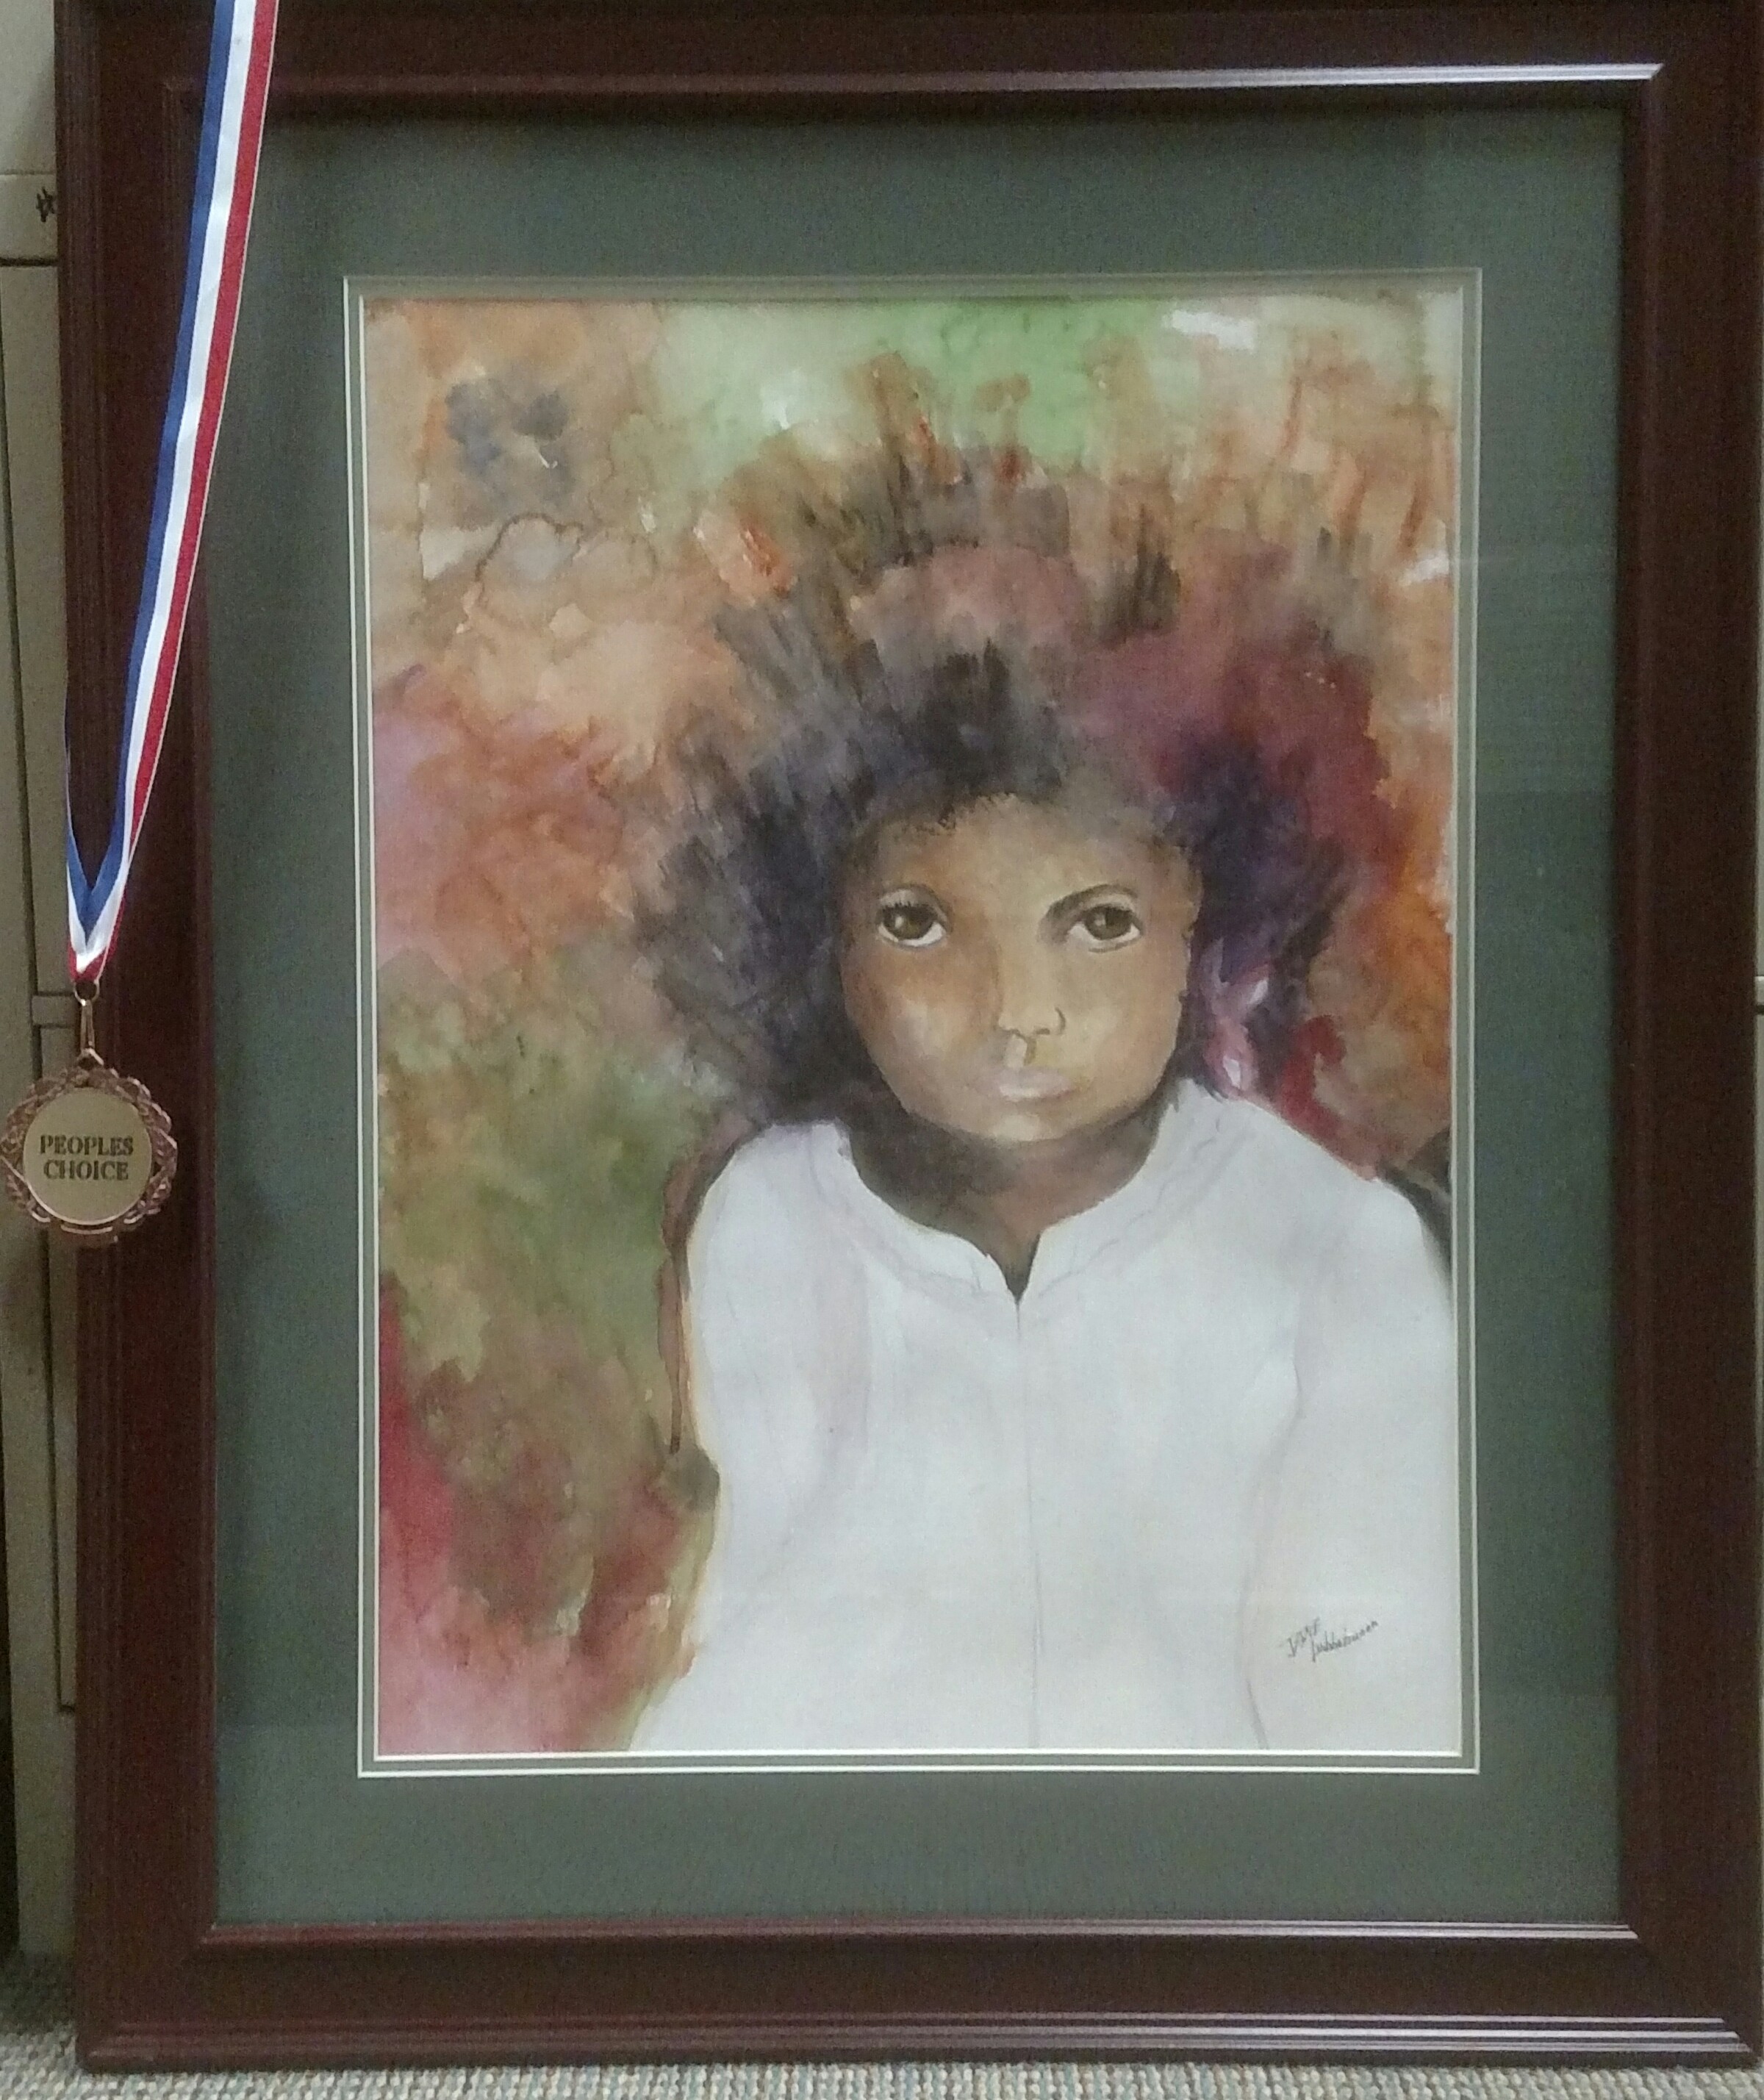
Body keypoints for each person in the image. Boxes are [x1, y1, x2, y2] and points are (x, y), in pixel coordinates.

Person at [634, 573, 1461, 1758]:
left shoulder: (1336, 1250)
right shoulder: (769, 1212)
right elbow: (756, 1643)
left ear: (1209, 929)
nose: (1017, 1011)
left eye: (1100, 923)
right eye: (920, 924)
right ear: (824, 938)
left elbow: (1378, 1704)